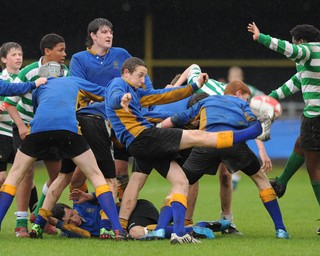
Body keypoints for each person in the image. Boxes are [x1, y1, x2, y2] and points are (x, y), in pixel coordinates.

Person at [107, 57, 269, 244]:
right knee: (200, 137)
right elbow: (113, 96)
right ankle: (254, 131)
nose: (143, 80)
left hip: (143, 144)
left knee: (181, 181)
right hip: (145, 137)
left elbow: (164, 95)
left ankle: (175, 233)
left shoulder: (136, 93)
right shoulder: (118, 84)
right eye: (140, 75)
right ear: (126, 73)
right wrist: (122, 98)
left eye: (144, 76)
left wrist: (193, 86)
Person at [0, 61, 127, 240]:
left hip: (38, 131)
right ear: (62, 73)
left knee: (14, 176)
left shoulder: (39, 88)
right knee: (97, 176)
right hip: (68, 131)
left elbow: (41, 112)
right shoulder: (73, 81)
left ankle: (30, 223)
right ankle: (116, 229)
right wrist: (121, 94)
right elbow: (104, 93)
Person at [248, 22, 320, 236]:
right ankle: (281, 183)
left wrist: (261, 37)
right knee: (301, 143)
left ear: (301, 41)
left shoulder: (308, 51)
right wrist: (270, 98)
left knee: (314, 167)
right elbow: (294, 84)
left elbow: (289, 49)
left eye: (295, 42)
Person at [159, 80, 288, 239]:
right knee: (262, 180)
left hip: (206, 144)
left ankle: (160, 228)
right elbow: (255, 126)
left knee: (179, 185)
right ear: (239, 93)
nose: (246, 102)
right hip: (234, 144)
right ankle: (281, 230)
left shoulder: (206, 100)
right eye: (246, 98)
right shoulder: (241, 104)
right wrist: (266, 121)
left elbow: (178, 118)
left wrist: (156, 130)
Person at [69, 18, 153, 194]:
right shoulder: (79, 58)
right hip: (93, 119)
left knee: (121, 171)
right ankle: (81, 212)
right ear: (93, 35)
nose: (109, 35)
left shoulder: (121, 54)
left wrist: (150, 96)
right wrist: (105, 95)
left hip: (120, 116)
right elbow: (78, 85)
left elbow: (140, 74)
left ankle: (121, 213)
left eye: (111, 32)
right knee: (77, 176)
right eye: (104, 32)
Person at [3, 34, 68, 237]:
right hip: (27, 126)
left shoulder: (65, 72)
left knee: (56, 176)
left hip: (50, 127)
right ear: (47, 51)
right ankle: (21, 221)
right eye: (60, 50)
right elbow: (10, 103)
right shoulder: (29, 72)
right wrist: (21, 126)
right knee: (25, 173)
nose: (65, 54)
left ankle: (40, 215)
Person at [51, 189, 227, 240]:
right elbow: (86, 235)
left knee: (135, 233)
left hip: (137, 209)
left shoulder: (82, 203)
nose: (74, 220)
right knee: (149, 231)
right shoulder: (70, 231)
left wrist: (89, 196)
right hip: (134, 221)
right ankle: (203, 227)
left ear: (71, 208)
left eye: (71, 214)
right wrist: (56, 224)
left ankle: (191, 229)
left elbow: (108, 195)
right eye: (69, 221)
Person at [0, 42, 23, 188]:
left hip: (20, 132)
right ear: (4, 59)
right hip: (2, 131)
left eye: (20, 54)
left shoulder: (26, 78)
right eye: (13, 54)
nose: (18, 57)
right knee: (1, 177)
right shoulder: (1, 80)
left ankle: (32, 211)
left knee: (26, 175)